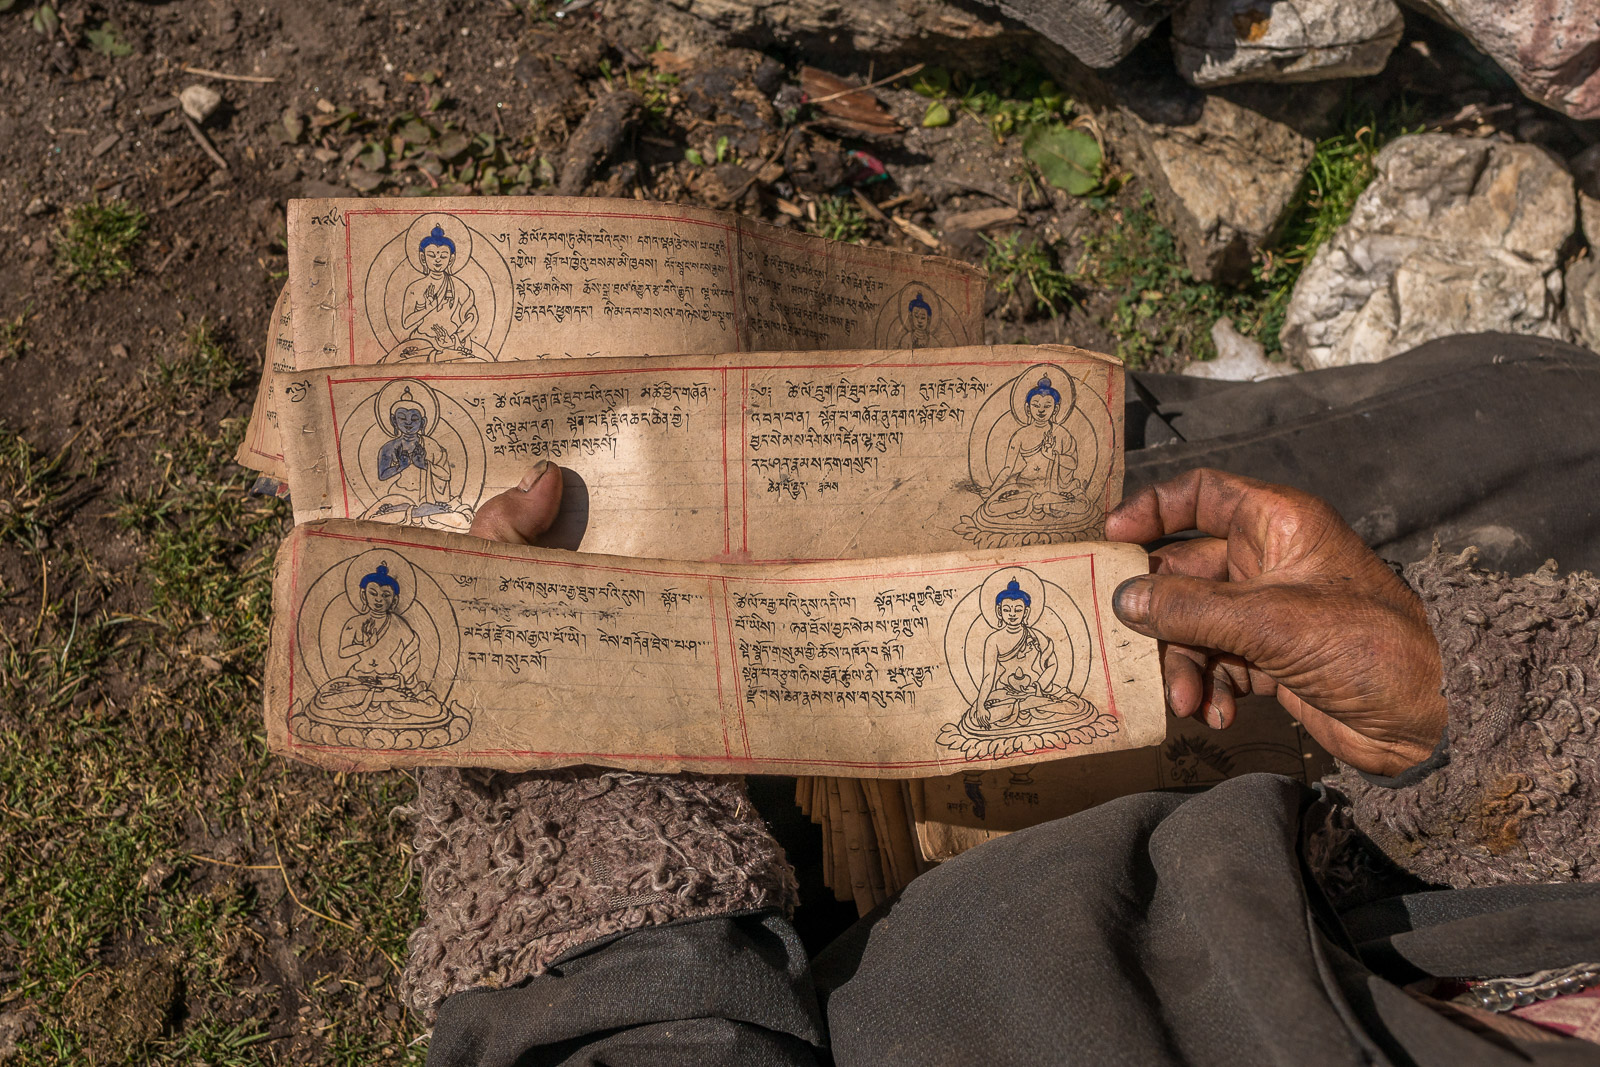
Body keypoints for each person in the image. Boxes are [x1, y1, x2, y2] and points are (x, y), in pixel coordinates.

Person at [400, 335, 1600, 1065]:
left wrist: (580, 775)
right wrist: (1452, 701)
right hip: (1399, 882)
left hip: (854, 959)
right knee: (1560, 417)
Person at [311, 563, 442, 721]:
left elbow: (413, 654)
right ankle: (383, 697)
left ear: (394, 600)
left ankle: (386, 696)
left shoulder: (399, 624)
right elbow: (343, 652)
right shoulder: (354, 623)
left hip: (389, 681)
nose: (379, 599)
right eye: (373, 593)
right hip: (358, 679)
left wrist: (400, 678)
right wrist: (365, 645)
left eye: (386, 595)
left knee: (430, 708)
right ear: (363, 595)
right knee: (325, 700)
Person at [388, 225, 482, 362]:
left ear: (451, 259)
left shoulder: (460, 287)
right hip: (422, 340)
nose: (437, 260)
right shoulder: (415, 287)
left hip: (452, 342)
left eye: (443, 256)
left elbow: (472, 317)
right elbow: (406, 323)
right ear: (422, 258)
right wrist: (428, 308)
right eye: (431, 255)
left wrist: (456, 338)